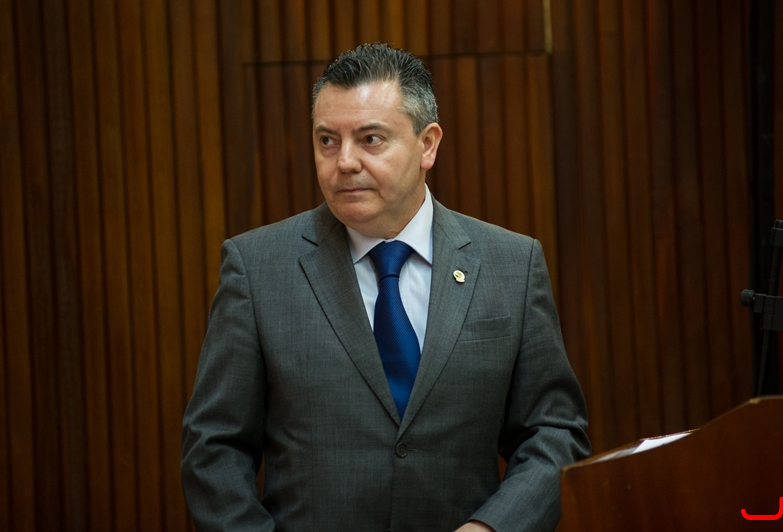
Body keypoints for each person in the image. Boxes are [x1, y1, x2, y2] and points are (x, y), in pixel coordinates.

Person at [181, 43, 590, 532]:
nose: (344, 161)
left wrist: (491, 529)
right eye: (327, 140)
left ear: (427, 145)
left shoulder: (511, 265)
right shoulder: (257, 268)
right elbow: (214, 448)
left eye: (370, 139)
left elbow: (553, 433)